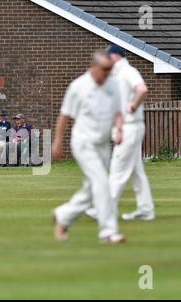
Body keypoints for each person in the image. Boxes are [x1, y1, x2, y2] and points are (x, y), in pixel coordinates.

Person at [52, 52, 125, 243]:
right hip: (83, 143)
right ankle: (108, 232)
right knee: (102, 183)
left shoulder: (114, 85)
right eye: (105, 69)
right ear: (93, 66)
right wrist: (57, 143)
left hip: (102, 144)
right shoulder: (78, 87)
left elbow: (118, 111)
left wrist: (119, 129)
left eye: (111, 69)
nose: (108, 73)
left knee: (91, 188)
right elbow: (64, 116)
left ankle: (63, 216)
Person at [86, 45, 155, 222]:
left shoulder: (127, 71)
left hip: (129, 127)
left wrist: (132, 106)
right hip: (128, 127)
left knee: (118, 170)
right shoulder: (117, 74)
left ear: (116, 56)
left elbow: (142, 89)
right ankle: (146, 209)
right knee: (136, 172)